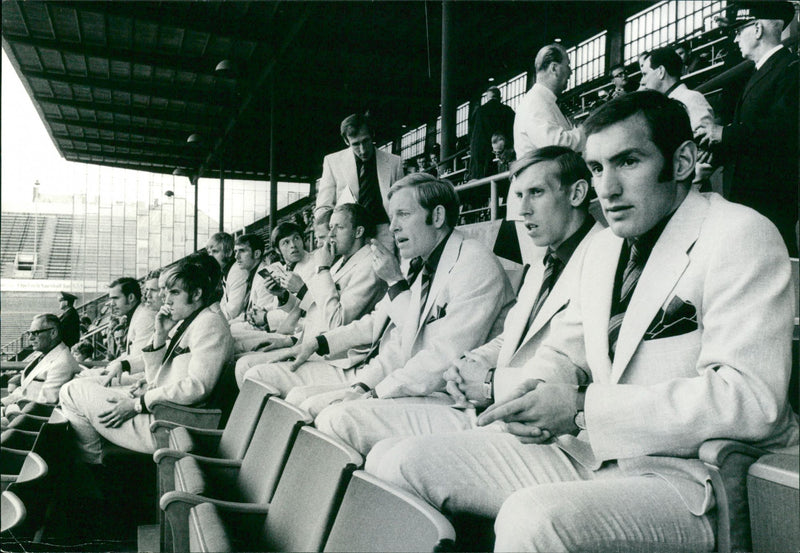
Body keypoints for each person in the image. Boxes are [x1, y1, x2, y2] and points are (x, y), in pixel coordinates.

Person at [369, 91, 798, 552]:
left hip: (688, 477)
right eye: (596, 169)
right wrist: (523, 399)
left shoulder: (739, 233)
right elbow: (565, 354)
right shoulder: (606, 248)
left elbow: (751, 400)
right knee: (397, 462)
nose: (607, 189)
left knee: (532, 520)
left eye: (627, 162)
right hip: (590, 452)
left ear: (683, 161)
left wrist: (579, 407)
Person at [315, 147, 602, 455]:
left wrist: (485, 378)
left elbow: (444, 354)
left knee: (345, 424)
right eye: (519, 195)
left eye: (536, 193)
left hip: (500, 408)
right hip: (471, 394)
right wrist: (470, 364)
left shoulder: (475, 261)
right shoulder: (545, 261)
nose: (523, 209)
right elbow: (505, 339)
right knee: (334, 417)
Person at [248, 173, 514, 416]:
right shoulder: (420, 265)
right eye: (392, 216)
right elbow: (389, 331)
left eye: (404, 214)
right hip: (397, 377)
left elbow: (441, 357)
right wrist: (351, 374)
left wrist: (374, 392)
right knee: (306, 402)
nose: (393, 226)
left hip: (449, 394)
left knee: (331, 415)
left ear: (437, 216)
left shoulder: (473, 262)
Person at [60, 259, 234, 463]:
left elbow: (197, 387)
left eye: (175, 293)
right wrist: (160, 334)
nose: (167, 300)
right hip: (161, 411)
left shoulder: (209, 323)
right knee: (80, 386)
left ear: (196, 294)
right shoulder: (191, 320)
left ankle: (95, 466)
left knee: (71, 391)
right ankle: (98, 463)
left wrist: (137, 404)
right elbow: (157, 374)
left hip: (169, 425)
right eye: (166, 293)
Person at [235, 203, 387, 385]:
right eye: (330, 228)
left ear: (358, 232)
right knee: (245, 364)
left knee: (250, 370)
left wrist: (322, 270)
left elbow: (337, 323)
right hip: (307, 345)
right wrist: (293, 341)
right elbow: (314, 312)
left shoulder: (369, 265)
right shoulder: (340, 262)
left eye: (338, 228)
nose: (330, 236)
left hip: (335, 358)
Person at [696, 1, 798, 256]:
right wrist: (719, 150)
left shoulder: (791, 69)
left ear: (757, 29)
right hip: (753, 194)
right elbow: (752, 132)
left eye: (738, 31)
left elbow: (785, 130)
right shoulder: (762, 72)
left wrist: (724, 133)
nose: (735, 39)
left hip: (772, 196)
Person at [315, 113, 404, 251]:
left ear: (372, 135)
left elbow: (402, 202)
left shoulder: (394, 162)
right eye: (356, 144)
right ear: (346, 141)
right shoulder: (332, 162)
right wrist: (329, 233)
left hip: (383, 231)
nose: (363, 150)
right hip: (348, 233)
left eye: (366, 141)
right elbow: (323, 206)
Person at [513, 43, 584, 159]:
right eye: (568, 66)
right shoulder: (535, 102)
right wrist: (585, 131)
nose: (570, 72)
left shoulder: (542, 100)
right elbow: (556, 145)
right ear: (554, 68)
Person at [2, 314, 80, 416]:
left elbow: (42, 406)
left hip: (25, 419)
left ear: (53, 333)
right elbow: (25, 390)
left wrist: (6, 409)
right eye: (29, 333)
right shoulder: (46, 354)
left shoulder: (62, 363)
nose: (30, 338)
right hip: (18, 411)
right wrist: (3, 402)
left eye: (36, 333)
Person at [639, 48, 715, 131]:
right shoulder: (660, 106)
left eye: (645, 74)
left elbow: (703, 140)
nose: (642, 81)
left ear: (660, 71)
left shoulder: (692, 99)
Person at [469, 86, 516, 180]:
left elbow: (474, 139)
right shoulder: (508, 111)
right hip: (505, 158)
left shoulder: (480, 112)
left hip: (484, 162)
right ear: (500, 97)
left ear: (487, 97)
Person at [105, 277, 153, 364]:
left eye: (115, 298)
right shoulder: (137, 314)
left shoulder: (145, 317)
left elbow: (137, 360)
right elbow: (129, 354)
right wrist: (109, 366)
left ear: (131, 297)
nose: (112, 304)